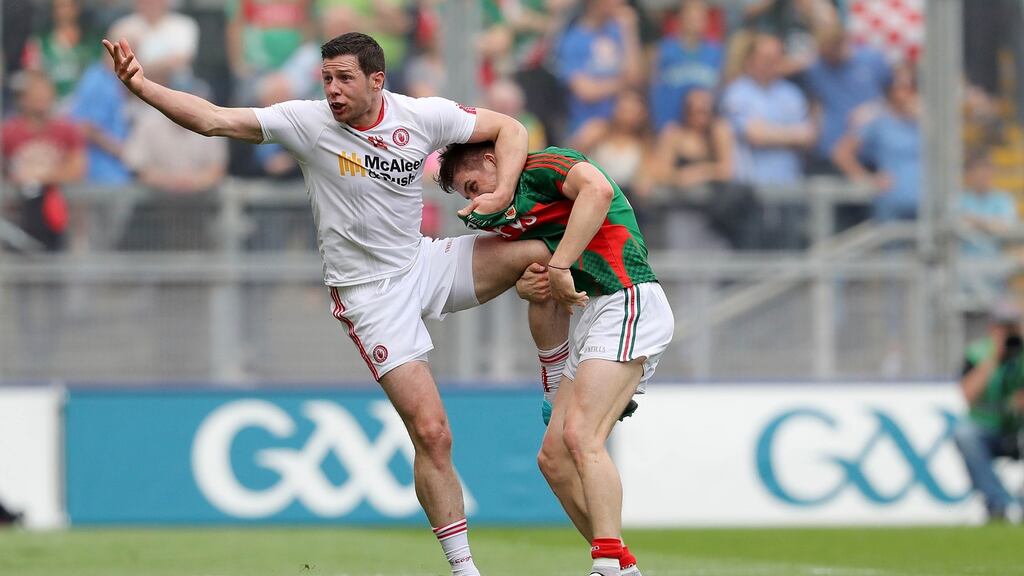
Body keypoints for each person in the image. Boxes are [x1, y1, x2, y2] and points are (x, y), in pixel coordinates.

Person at [102, 31, 557, 576]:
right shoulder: (306, 122)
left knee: (541, 249)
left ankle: (563, 377)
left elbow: (509, 128)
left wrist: (503, 191)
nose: (334, 91)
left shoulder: (423, 116)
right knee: (433, 431)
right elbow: (213, 119)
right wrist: (143, 86)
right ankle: (464, 570)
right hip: (369, 296)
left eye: (344, 78)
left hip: (423, 263)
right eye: (327, 79)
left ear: (376, 80)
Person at [437, 142, 674, 576]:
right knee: (553, 459)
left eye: (472, 186)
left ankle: (605, 562)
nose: (473, 201)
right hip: (592, 315)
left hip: (628, 296)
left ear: (493, 161)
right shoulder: (508, 220)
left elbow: (598, 191)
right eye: (464, 196)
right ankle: (622, 565)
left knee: (583, 437)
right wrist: (535, 286)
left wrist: (560, 265)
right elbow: (544, 298)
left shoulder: (541, 166)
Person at [954, 300, 1024, 523]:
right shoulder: (977, 353)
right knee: (965, 433)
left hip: (1019, 428)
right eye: (1004, 327)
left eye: (1013, 327)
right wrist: (995, 357)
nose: (1009, 333)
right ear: (992, 328)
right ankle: (998, 504)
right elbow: (968, 395)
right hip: (988, 428)